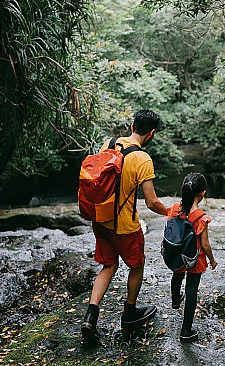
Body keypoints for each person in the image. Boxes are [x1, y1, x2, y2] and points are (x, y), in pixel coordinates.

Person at [81, 109, 169, 344]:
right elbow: (152, 202)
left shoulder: (109, 144)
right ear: (151, 133)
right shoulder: (143, 159)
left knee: (109, 265)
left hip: (101, 219)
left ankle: (90, 316)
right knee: (137, 265)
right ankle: (129, 314)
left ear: (132, 126)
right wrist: (170, 212)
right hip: (125, 226)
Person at [166, 172, 216, 342]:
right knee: (191, 289)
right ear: (202, 193)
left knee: (177, 275)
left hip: (178, 254)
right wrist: (212, 260)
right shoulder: (201, 217)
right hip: (195, 258)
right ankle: (186, 330)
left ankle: (175, 300)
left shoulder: (174, 209)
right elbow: (205, 245)